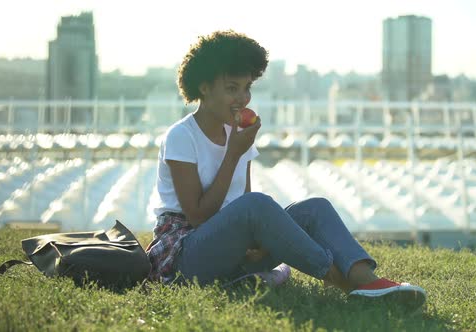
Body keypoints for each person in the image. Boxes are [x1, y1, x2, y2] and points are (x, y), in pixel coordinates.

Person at [146, 30, 426, 309]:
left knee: (315, 207)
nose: (242, 98)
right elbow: (198, 217)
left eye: (247, 88)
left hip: (229, 251)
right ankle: (340, 280)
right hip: (185, 257)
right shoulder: (182, 136)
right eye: (232, 88)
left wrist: (259, 241)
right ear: (204, 87)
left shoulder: (239, 135)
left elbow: (238, 205)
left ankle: (366, 279)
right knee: (256, 205)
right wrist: (233, 154)